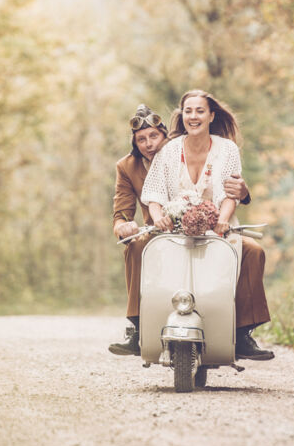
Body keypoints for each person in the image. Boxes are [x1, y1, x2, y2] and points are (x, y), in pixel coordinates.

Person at [110, 101, 273, 359]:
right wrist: (125, 227)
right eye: (141, 139)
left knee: (252, 251)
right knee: (136, 245)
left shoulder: (182, 150)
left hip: (212, 227)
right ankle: (137, 326)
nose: (149, 144)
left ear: (166, 136)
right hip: (160, 233)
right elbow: (120, 215)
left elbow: (228, 181)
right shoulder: (127, 167)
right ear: (134, 143)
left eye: (154, 136)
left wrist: (242, 192)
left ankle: (242, 332)